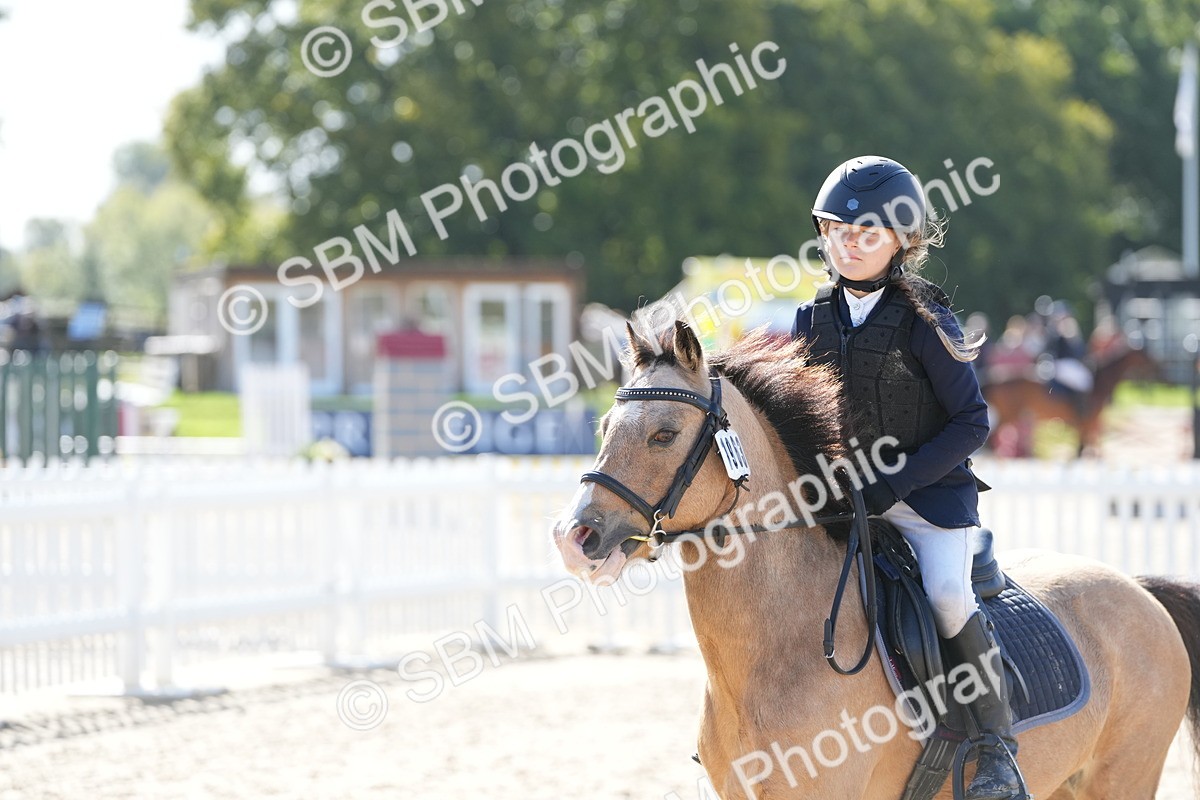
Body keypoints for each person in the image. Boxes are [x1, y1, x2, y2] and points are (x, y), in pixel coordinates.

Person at [791, 156, 1019, 799]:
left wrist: (893, 485)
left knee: (946, 595)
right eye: (838, 230)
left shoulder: (924, 321)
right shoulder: (811, 320)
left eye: (867, 233)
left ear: (901, 241)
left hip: (928, 501)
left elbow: (972, 421)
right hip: (846, 500)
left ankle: (996, 745)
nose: (849, 244)